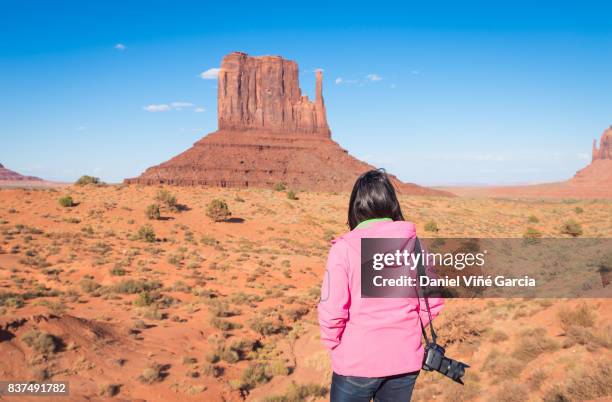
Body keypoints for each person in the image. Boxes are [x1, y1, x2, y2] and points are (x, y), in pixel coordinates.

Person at [318, 169, 444, 402]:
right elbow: (432, 302)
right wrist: (407, 329)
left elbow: (332, 311)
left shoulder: (344, 249)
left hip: (355, 362)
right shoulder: (417, 247)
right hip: (404, 362)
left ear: (356, 206)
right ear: (391, 203)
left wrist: (336, 346)